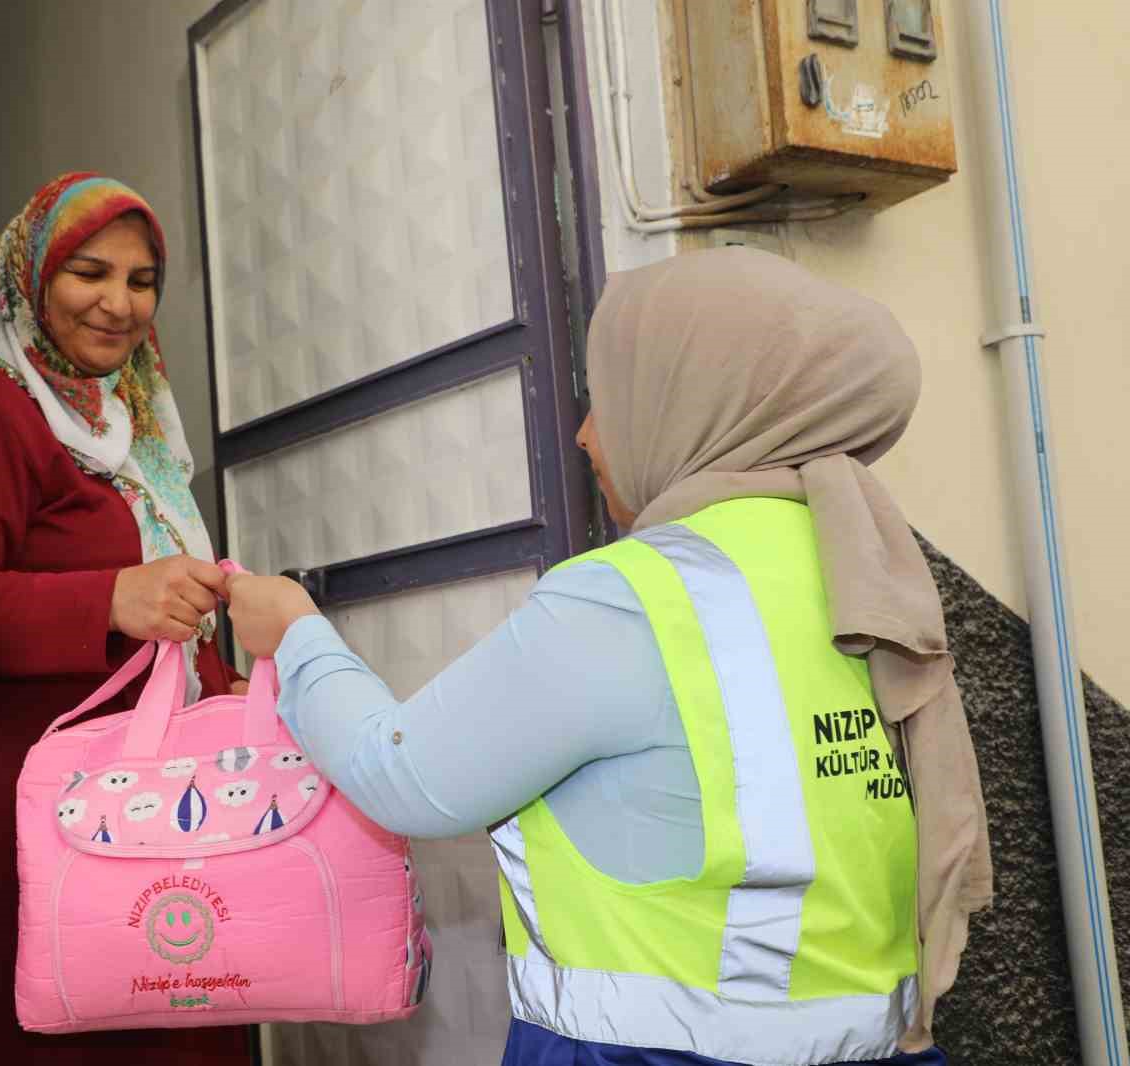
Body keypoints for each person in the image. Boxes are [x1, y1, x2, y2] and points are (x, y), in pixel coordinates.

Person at [224, 248, 992, 1066]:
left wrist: (297, 635)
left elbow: (404, 778)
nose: (587, 436)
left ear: (694, 397)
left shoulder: (637, 594)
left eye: (607, 397)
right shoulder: (859, 566)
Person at [0, 172, 249, 1066]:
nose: (118, 303)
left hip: (159, 803)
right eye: (88, 273)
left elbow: (164, 609)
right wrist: (110, 597)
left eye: (141, 280)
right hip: (44, 816)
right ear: (29, 280)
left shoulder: (136, 421)